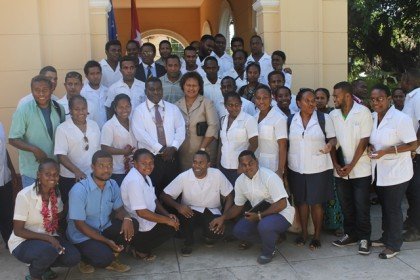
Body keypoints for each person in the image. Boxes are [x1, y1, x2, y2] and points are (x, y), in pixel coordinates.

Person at [210, 150, 295, 264]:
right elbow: (237, 207)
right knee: (239, 231)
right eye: (243, 165)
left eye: (250, 163)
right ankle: (272, 239)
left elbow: (282, 203)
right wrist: (223, 218)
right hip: (260, 214)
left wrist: (260, 216)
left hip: (282, 214)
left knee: (264, 225)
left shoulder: (269, 176)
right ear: (240, 166)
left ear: (257, 162)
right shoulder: (240, 181)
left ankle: (268, 251)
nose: (248, 167)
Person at [8, 159, 80, 280]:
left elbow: (59, 215)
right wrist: (49, 238)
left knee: (73, 257)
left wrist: (72, 200)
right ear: (38, 175)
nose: (52, 177)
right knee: (49, 251)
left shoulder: (56, 194)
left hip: (48, 237)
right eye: (47, 174)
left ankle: (43, 267)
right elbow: (18, 231)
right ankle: (34, 275)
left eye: (56, 174)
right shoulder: (24, 195)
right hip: (23, 241)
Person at [368, 84, 417, 259]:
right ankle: (385, 236)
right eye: (373, 99)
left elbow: (413, 144)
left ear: (388, 99)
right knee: (385, 207)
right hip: (379, 171)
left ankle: (394, 244)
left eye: (380, 99)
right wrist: (370, 146)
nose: (376, 102)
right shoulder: (372, 117)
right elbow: (372, 139)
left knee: (393, 208)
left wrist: (386, 151)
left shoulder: (400, 118)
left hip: (397, 172)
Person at [67, 151, 134, 273]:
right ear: (93, 167)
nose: (106, 170)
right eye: (101, 166)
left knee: (131, 225)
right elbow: (79, 225)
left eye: (109, 166)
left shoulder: (112, 184)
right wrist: (107, 241)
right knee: (104, 257)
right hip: (82, 235)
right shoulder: (79, 190)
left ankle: (109, 254)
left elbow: (119, 209)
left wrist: (127, 218)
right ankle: (86, 258)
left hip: (103, 228)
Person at [287, 88, 336, 250]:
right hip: (297, 168)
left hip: (318, 168)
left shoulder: (324, 118)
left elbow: (333, 138)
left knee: (316, 203)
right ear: (298, 103)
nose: (311, 103)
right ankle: (303, 234)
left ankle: (316, 236)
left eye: (313, 100)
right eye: (307, 100)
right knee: (301, 202)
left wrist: (330, 145)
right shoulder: (290, 120)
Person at [329, 82, 373, 255]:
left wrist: (351, 165)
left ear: (347, 96)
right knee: (346, 205)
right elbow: (332, 141)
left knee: (361, 205)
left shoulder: (363, 112)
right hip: (340, 170)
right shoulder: (332, 115)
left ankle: (364, 238)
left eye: (336, 96)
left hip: (360, 168)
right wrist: (336, 165)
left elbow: (364, 141)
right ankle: (351, 234)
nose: (334, 99)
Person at [161, 151, 233, 256]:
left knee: (216, 232)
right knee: (185, 218)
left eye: (201, 162)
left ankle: (207, 235)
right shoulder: (184, 176)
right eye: (195, 162)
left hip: (212, 210)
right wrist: (178, 206)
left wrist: (223, 217)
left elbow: (229, 196)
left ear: (208, 164)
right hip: (190, 211)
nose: (197, 166)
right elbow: (164, 195)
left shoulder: (217, 174)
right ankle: (188, 242)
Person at [121, 149, 178, 260]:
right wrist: (167, 221)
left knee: (173, 225)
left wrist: (167, 215)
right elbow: (141, 213)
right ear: (135, 163)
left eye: (151, 163)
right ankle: (137, 248)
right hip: (139, 225)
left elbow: (154, 199)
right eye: (144, 163)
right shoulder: (134, 181)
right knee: (171, 226)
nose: (149, 166)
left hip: (149, 221)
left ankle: (141, 245)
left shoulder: (146, 176)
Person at [132, 77, 185, 196]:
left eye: (158, 89)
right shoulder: (139, 111)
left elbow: (181, 129)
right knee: (152, 192)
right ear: (146, 91)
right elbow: (141, 135)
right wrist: (161, 149)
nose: (156, 92)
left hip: (172, 156)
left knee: (173, 191)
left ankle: (172, 214)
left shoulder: (173, 108)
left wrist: (173, 147)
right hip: (151, 159)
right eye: (152, 89)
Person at [9, 75, 65, 188]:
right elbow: (13, 139)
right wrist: (34, 149)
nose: (41, 93)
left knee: (53, 205)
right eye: (37, 90)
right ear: (32, 91)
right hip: (32, 171)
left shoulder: (59, 108)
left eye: (45, 90)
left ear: (51, 90)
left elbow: (63, 135)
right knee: (34, 204)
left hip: (54, 171)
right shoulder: (23, 110)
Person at [54, 95, 101, 205]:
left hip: (91, 175)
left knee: (90, 206)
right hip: (71, 177)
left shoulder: (94, 125)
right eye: (77, 109)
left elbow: (98, 150)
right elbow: (61, 155)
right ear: (70, 111)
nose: (81, 112)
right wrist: (77, 172)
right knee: (72, 209)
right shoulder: (62, 129)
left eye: (83, 108)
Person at [175, 71, 219, 170]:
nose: (191, 88)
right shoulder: (176, 105)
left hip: (205, 151)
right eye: (188, 85)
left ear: (200, 87)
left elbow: (213, 126)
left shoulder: (207, 103)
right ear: (183, 86)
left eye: (194, 85)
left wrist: (202, 149)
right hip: (184, 153)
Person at [219, 92, 258, 185]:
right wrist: (218, 163)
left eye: (237, 105)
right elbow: (222, 143)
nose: (234, 108)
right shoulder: (223, 120)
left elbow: (254, 144)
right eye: (230, 105)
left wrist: (243, 165)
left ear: (241, 105)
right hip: (224, 165)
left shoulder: (248, 120)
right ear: (225, 106)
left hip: (240, 168)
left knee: (240, 195)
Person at [401, 69, 420, 242]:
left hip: (417, 153)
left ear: (407, 79)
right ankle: (412, 221)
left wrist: (415, 147)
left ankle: (417, 229)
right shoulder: (411, 97)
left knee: (416, 193)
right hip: (412, 153)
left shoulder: (418, 95)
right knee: (412, 192)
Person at [101, 94, 137, 186]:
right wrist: (123, 151)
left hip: (135, 169)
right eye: (121, 107)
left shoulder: (134, 122)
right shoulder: (109, 126)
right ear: (115, 108)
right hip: (118, 171)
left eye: (127, 106)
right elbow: (104, 148)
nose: (124, 110)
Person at [253, 86, 287, 178]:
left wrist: (280, 170)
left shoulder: (279, 118)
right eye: (258, 98)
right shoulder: (254, 117)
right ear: (254, 99)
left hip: (273, 167)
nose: (261, 101)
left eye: (265, 98)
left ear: (271, 98)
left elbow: (282, 146)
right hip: (256, 165)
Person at [0, 121, 17, 246]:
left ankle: (10, 242)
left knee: (7, 211)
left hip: (4, 177)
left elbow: (3, 149)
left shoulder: (0, 124)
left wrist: (12, 171)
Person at [80, 60, 108, 129]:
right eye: (92, 74)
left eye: (98, 73)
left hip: (106, 130)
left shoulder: (107, 91)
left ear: (101, 74)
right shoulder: (82, 93)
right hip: (91, 130)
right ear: (86, 76)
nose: (95, 76)